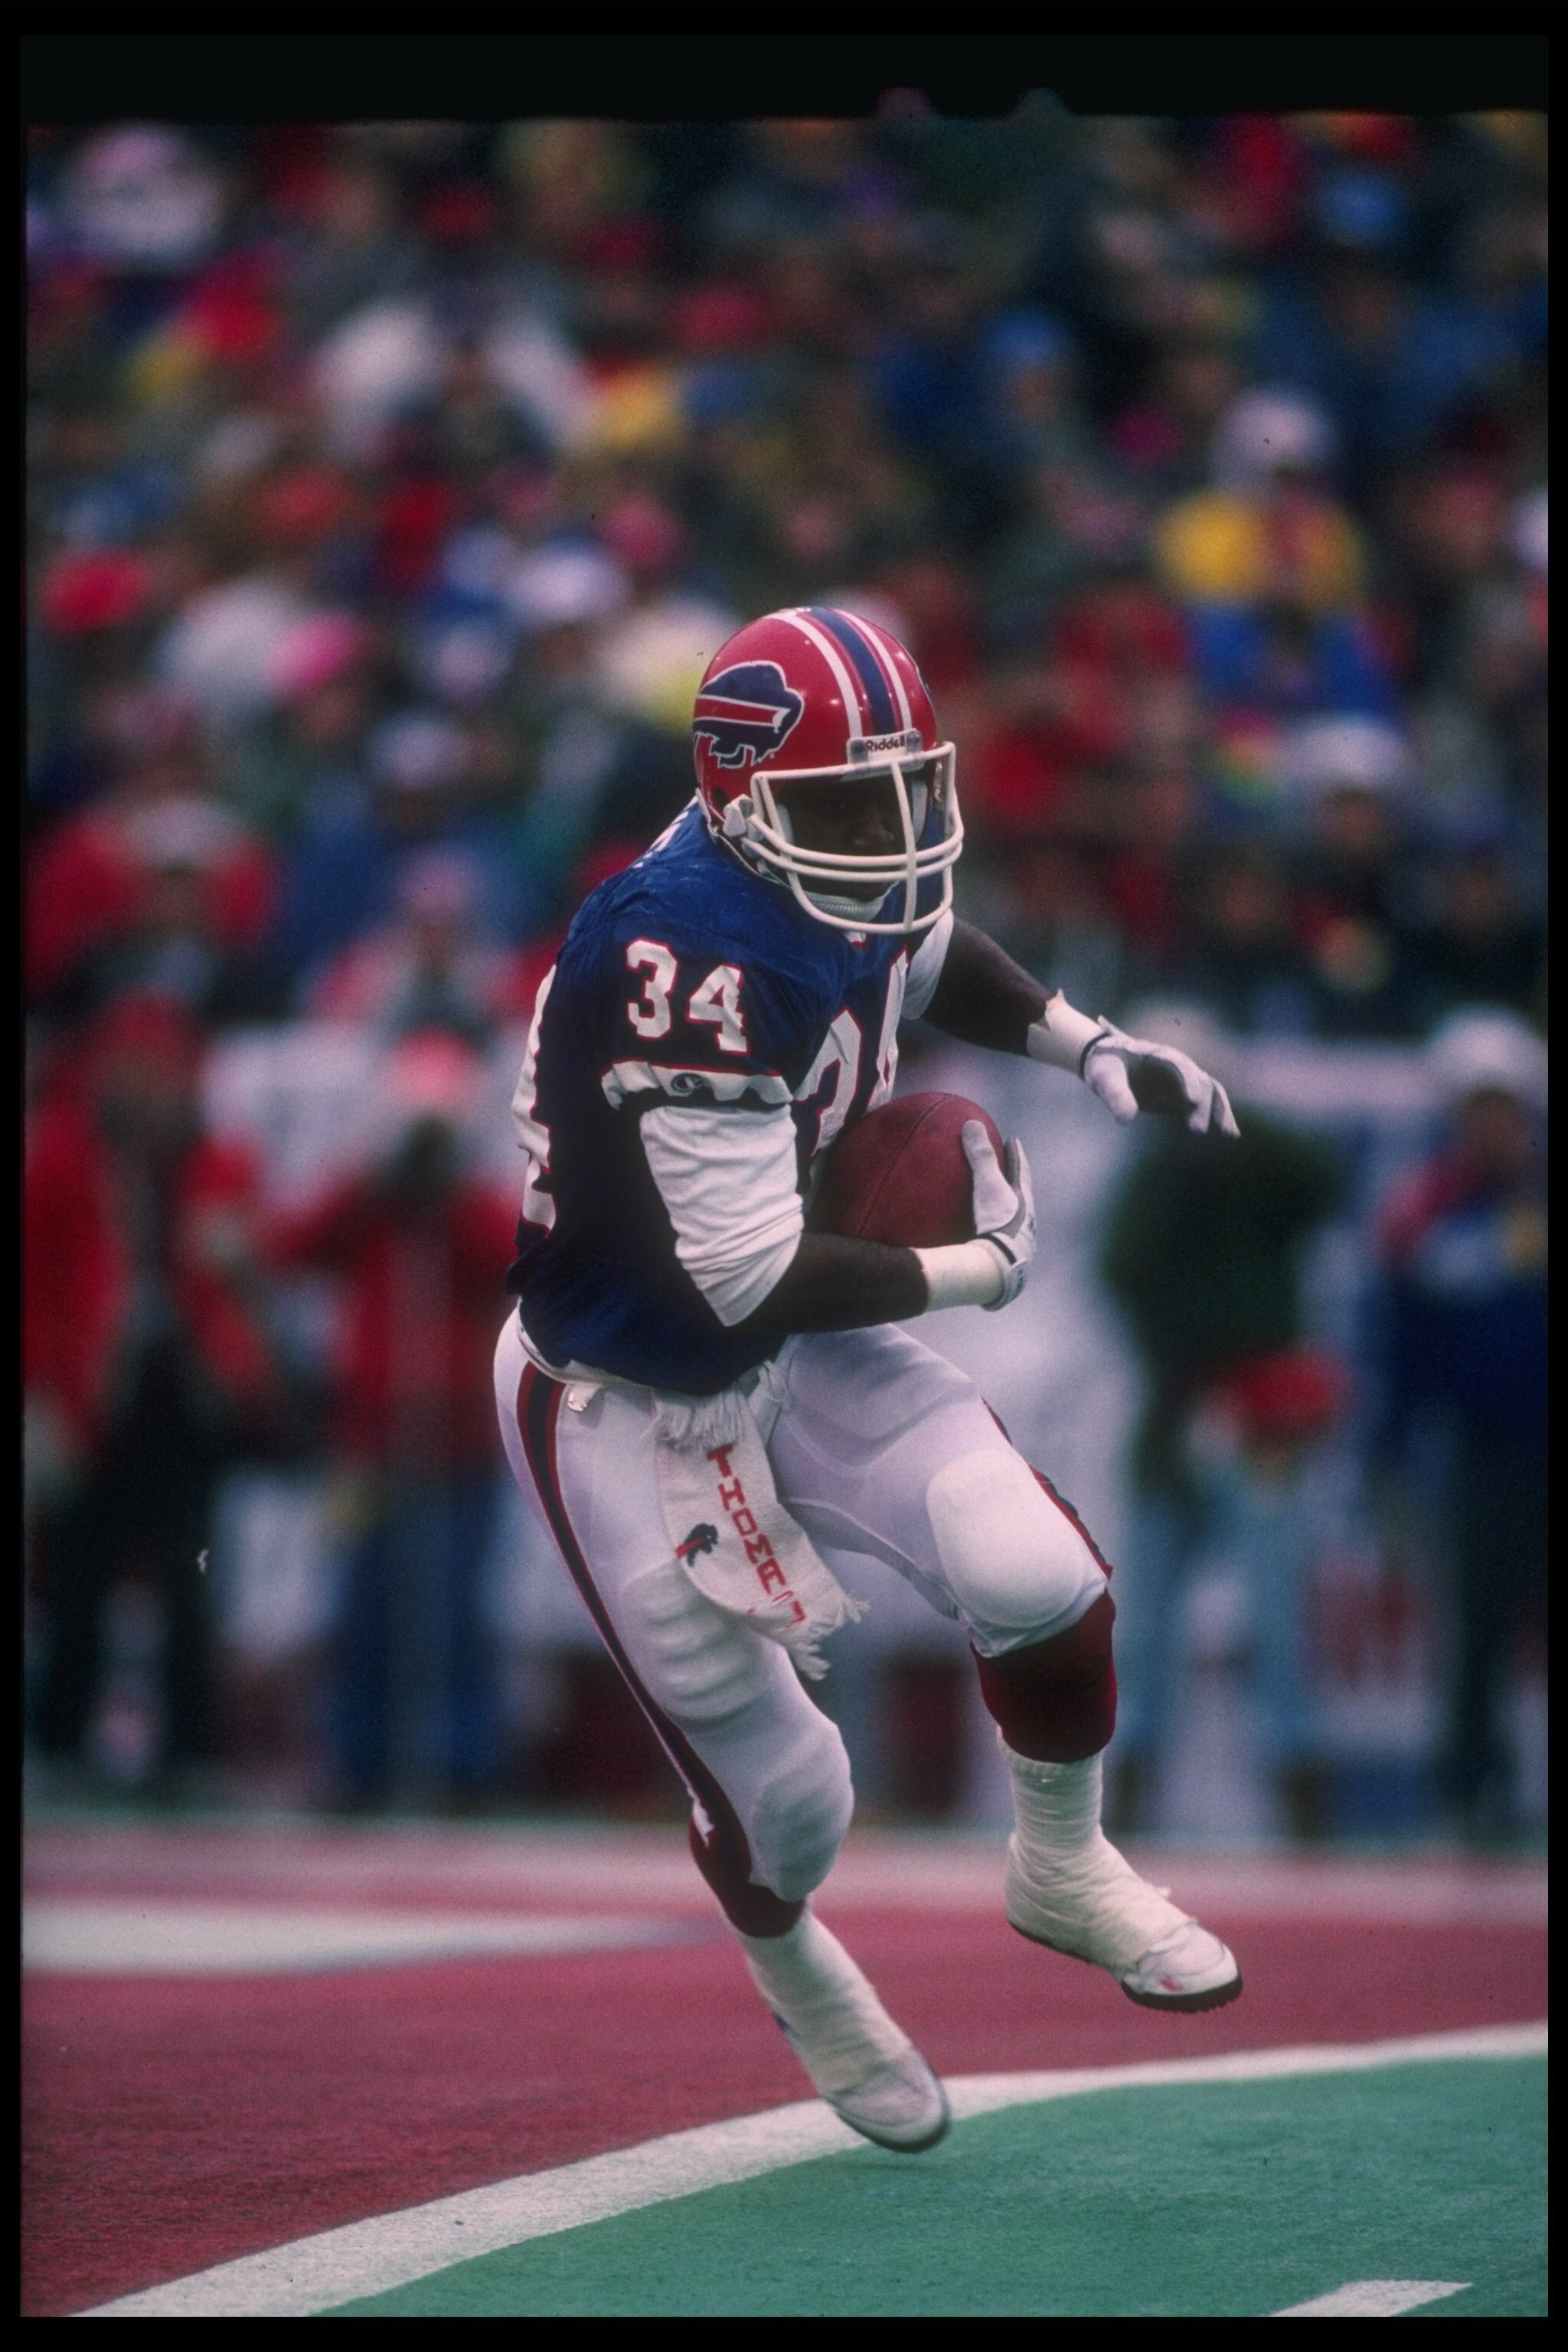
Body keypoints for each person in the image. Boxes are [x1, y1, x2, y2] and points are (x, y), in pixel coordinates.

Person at [494, 607, 1243, 2158]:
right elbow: (744, 1277)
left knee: (1032, 1566)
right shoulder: (677, 945)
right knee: (796, 1803)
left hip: (784, 1337)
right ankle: (796, 1965)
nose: (889, 835)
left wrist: (1086, 1045)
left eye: (902, 791)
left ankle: (1062, 1863)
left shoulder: (820, 849)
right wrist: (976, 1268)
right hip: (621, 1392)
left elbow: (915, 944)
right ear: (733, 794)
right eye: (848, 806)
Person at [25, 995, 286, 1798]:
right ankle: (64, 1743)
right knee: (80, 1571)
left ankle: (186, 1752)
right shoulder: (66, 1157)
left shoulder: (215, 1160)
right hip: (96, 1391)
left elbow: (252, 1269)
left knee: (189, 1576)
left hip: (183, 1388)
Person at [1097, 1008, 1346, 1840]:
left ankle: (1296, 1777)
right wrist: (1177, 1169)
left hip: (1260, 1412)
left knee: (1275, 1610)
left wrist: (1232, 1131)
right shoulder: (1152, 1175)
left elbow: (1325, 1183)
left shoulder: (1259, 1163)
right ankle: (1136, 1775)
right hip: (1176, 1414)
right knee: (1148, 1617)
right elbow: (1119, 1269)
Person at [270, 1031, 519, 1810]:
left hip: (457, 1443)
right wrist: (373, 1181)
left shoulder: (473, 1209)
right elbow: (293, 1246)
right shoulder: (369, 1206)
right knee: (365, 1604)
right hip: (371, 1440)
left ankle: (461, 1766)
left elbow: (516, 1262)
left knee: (452, 1608)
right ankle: (358, 1763)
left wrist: (450, 1188)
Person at [1365, 1011, 1547, 1841]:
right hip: (1480, 1447)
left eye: (1502, 1110)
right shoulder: (1424, 1210)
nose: (1491, 1128)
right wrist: (1390, 1444)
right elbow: (1400, 1342)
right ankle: (1471, 1787)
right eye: (1477, 1112)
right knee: (1474, 1623)